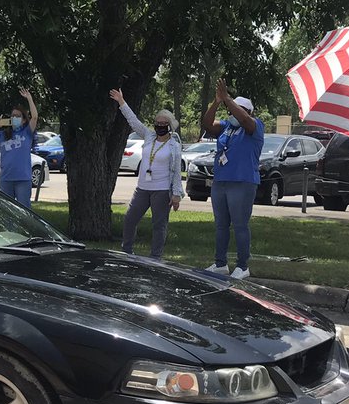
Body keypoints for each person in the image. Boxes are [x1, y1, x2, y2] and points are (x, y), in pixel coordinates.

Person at [200, 79, 264, 279]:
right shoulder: (226, 126)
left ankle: (243, 266)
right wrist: (217, 102)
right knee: (221, 224)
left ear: (248, 111)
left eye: (237, 109)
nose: (232, 113)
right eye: (230, 109)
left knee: (240, 224)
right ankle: (220, 263)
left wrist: (227, 98)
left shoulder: (254, 125)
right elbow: (207, 124)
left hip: (242, 181)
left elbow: (244, 119)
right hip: (221, 181)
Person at [109, 89, 184, 259]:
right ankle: (127, 252)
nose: (160, 125)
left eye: (163, 123)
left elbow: (176, 172)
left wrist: (176, 195)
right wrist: (121, 102)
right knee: (130, 219)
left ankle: (155, 257)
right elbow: (133, 121)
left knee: (159, 225)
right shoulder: (149, 136)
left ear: (170, 126)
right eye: (157, 122)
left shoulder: (174, 146)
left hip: (161, 190)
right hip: (142, 188)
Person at [0, 87, 39, 207]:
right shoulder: (2, 135)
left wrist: (29, 98)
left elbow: (34, 117)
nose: (14, 118)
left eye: (18, 116)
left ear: (23, 120)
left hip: (23, 178)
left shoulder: (27, 132)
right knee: (8, 209)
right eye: (13, 116)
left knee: (24, 208)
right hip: (6, 178)